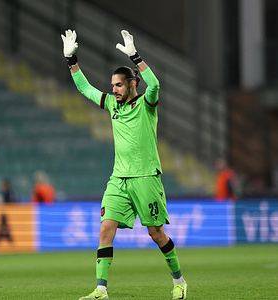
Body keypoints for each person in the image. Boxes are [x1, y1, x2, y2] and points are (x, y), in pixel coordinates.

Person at [61, 29, 187, 300]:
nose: (113, 90)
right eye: (112, 85)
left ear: (132, 84)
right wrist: (72, 60)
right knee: (106, 228)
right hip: (119, 179)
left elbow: (155, 85)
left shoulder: (147, 105)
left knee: (156, 233)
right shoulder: (112, 107)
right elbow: (85, 88)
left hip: (146, 178)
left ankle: (179, 281)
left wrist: (136, 56)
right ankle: (101, 289)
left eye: (118, 85)